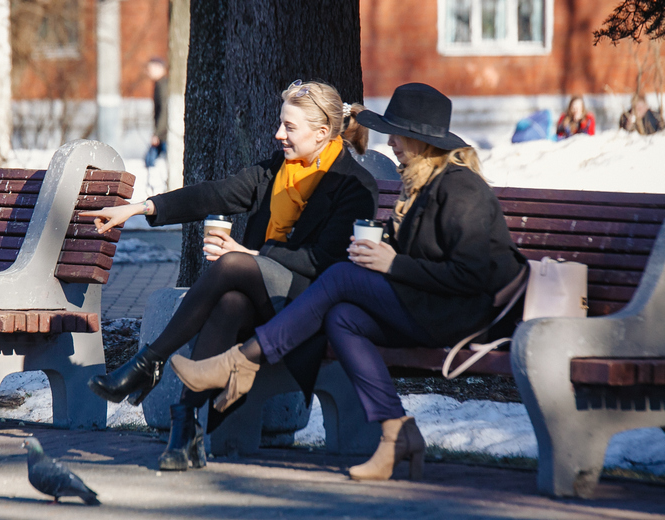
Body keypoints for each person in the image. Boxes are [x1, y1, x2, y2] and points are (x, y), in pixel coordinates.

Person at [170, 83, 527, 482]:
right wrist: (382, 251)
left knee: (340, 277)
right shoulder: (422, 184)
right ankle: (396, 432)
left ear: (421, 141)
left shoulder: (462, 189)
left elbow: (471, 275)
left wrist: (393, 266)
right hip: (427, 306)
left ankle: (242, 362)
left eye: (396, 134)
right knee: (342, 317)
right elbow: (421, 255)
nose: (389, 141)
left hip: (464, 317)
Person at [81, 80, 378, 471]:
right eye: (281, 124)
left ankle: (148, 363)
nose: (278, 134)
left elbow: (325, 262)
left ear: (322, 133)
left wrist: (251, 254)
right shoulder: (277, 170)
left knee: (233, 264)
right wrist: (139, 208)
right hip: (264, 301)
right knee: (229, 304)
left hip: (311, 309)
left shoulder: (353, 185)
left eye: (289, 127)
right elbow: (214, 194)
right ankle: (184, 431)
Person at [144, 57, 168, 169]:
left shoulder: (162, 85)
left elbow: (164, 110)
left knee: (149, 160)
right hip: (163, 133)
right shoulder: (159, 84)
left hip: (164, 134)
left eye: (151, 68)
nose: (148, 72)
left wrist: (157, 134)